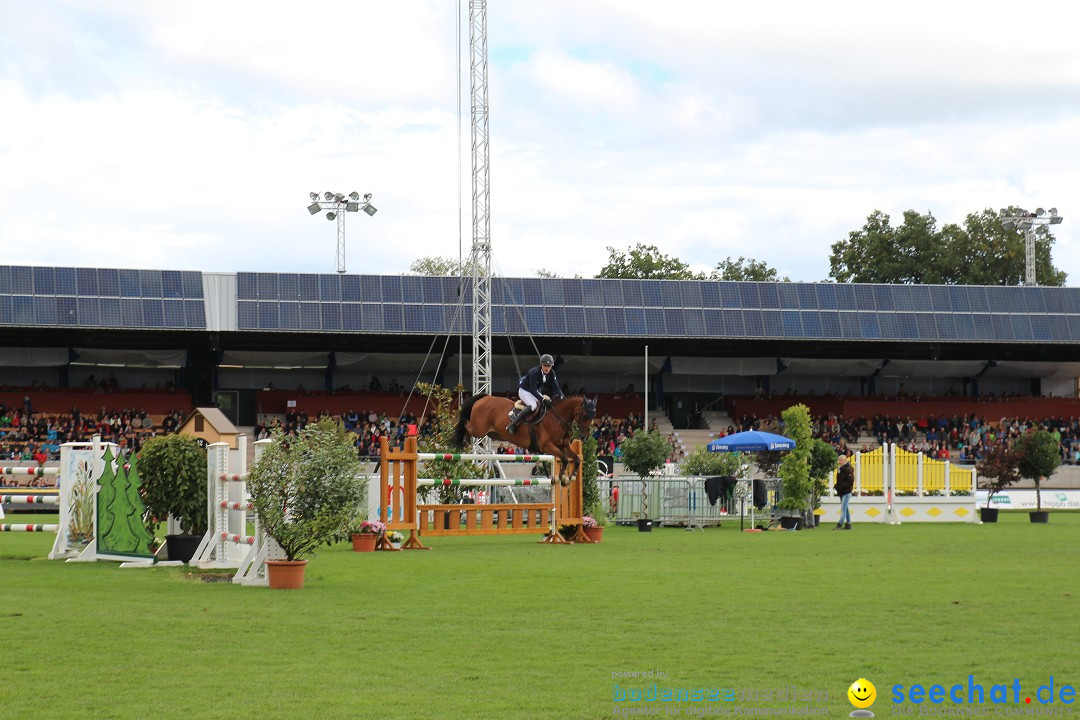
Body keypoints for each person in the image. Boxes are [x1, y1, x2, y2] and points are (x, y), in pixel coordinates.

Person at [507, 354, 564, 433]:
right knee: (533, 406)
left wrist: (563, 397)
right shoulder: (534, 372)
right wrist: (543, 399)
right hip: (524, 390)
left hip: (534, 391)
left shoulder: (552, 373)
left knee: (547, 405)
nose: (547, 368)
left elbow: (556, 387)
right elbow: (533, 390)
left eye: (549, 366)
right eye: (545, 366)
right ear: (541, 365)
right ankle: (513, 424)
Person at [834, 453, 854, 530]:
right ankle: (848, 524)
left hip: (846, 491)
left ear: (845, 460)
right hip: (842, 491)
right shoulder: (841, 468)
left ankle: (840, 524)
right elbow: (839, 480)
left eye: (841, 460)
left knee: (843, 509)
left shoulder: (847, 469)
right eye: (839, 460)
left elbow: (850, 481)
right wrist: (837, 486)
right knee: (845, 508)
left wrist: (840, 487)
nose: (839, 462)